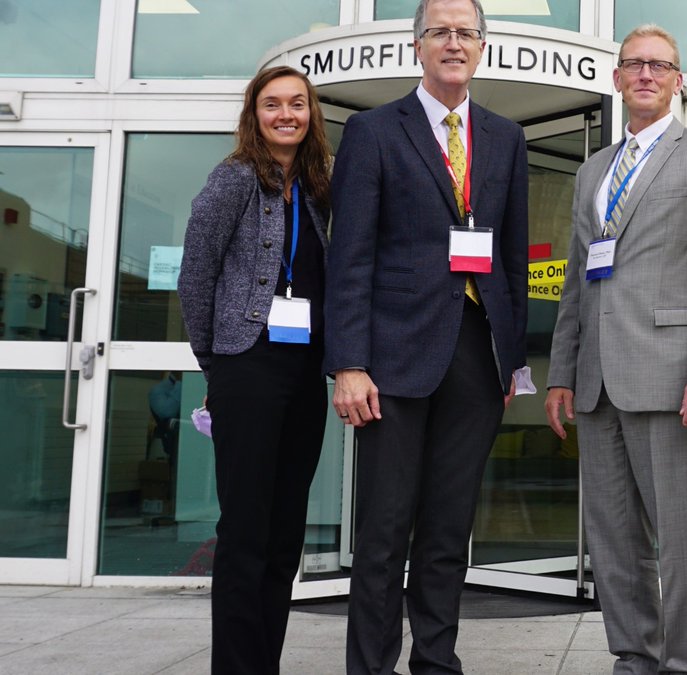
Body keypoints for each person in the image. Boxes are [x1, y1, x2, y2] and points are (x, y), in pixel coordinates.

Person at [323, 0, 529, 672]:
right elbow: (348, 255)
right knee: (383, 532)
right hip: (392, 359)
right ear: (416, 46)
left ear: (481, 48)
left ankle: (436, 662)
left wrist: (511, 363)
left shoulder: (506, 138)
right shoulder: (375, 131)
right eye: (439, 31)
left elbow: (513, 259)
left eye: (465, 32)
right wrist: (348, 362)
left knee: (447, 530)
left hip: (475, 355)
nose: (453, 42)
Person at [545, 24, 687, 675]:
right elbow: (581, 280)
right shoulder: (592, 172)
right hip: (597, 381)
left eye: (659, 65)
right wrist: (561, 375)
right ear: (616, 78)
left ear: (677, 79)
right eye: (633, 63)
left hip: (674, 379)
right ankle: (634, 656)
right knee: (613, 539)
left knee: (683, 541)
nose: (645, 74)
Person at [177, 64, 331, 674]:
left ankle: (262, 661)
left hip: (305, 371)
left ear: (311, 114)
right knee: (245, 531)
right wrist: (216, 362)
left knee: (284, 531)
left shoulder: (321, 185)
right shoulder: (234, 179)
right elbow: (196, 275)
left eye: (297, 103)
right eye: (273, 104)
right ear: (255, 114)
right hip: (248, 365)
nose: (286, 114)